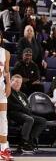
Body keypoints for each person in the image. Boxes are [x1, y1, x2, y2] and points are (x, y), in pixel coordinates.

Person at [7, 74, 47, 153]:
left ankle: (30, 141)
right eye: (16, 82)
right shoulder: (9, 92)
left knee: (42, 121)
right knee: (29, 119)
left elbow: (29, 107)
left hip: (25, 113)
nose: (18, 84)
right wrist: (22, 108)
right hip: (14, 113)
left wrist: (26, 109)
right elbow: (10, 105)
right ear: (11, 82)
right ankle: (23, 143)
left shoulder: (23, 95)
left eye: (20, 83)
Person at [0, 31, 12, 160]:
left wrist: (8, 84)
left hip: (0, 87)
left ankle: (3, 149)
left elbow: (7, 71)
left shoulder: (5, 53)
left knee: (2, 118)